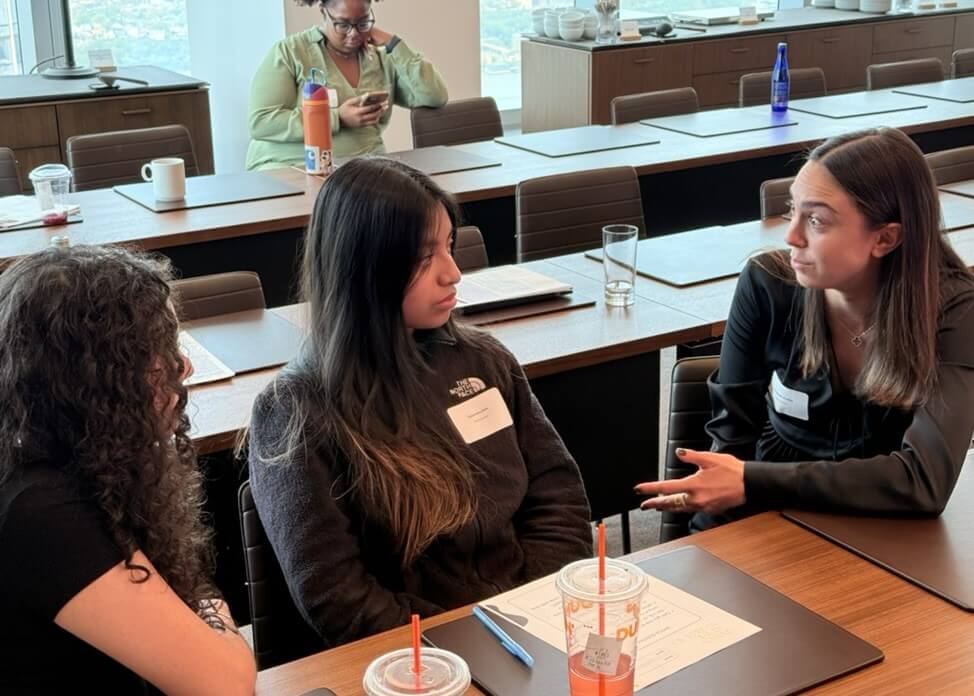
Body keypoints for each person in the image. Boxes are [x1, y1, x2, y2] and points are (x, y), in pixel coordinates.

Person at [248, 157, 593, 647]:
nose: (453, 272)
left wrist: (528, 609)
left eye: (449, 246)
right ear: (364, 266)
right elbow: (337, 596)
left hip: (528, 626)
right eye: (424, 256)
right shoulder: (295, 410)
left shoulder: (484, 360)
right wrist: (459, 644)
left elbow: (559, 495)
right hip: (420, 657)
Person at [636, 127, 974, 531]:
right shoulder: (767, 285)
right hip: (768, 518)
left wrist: (752, 480)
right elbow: (727, 457)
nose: (791, 236)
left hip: (887, 532)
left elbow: (924, 481)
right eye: (792, 210)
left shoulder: (955, 311)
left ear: (885, 238)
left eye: (816, 220)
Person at [0, 246, 256, 695]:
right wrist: (212, 611)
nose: (184, 368)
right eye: (160, 352)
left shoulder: (83, 462)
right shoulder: (40, 512)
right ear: (95, 377)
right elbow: (225, 683)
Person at [247, 0, 449, 170]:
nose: (353, 34)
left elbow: (434, 96)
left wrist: (395, 44)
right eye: (343, 24)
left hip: (363, 170)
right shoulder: (290, 52)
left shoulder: (381, 58)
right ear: (323, 12)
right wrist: (337, 118)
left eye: (363, 23)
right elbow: (262, 122)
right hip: (291, 165)